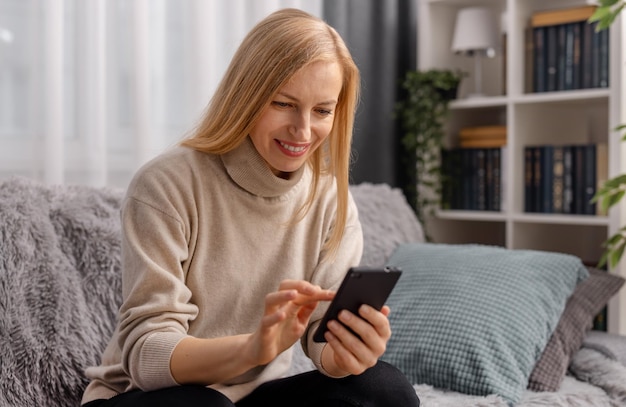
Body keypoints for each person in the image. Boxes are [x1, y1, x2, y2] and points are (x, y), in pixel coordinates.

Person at [81, 8, 420, 407]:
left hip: (253, 399)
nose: (304, 130)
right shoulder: (166, 184)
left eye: (323, 111)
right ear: (247, 94)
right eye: (283, 103)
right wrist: (252, 348)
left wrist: (348, 353)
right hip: (152, 396)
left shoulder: (331, 200)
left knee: (384, 390)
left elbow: (319, 339)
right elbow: (147, 355)